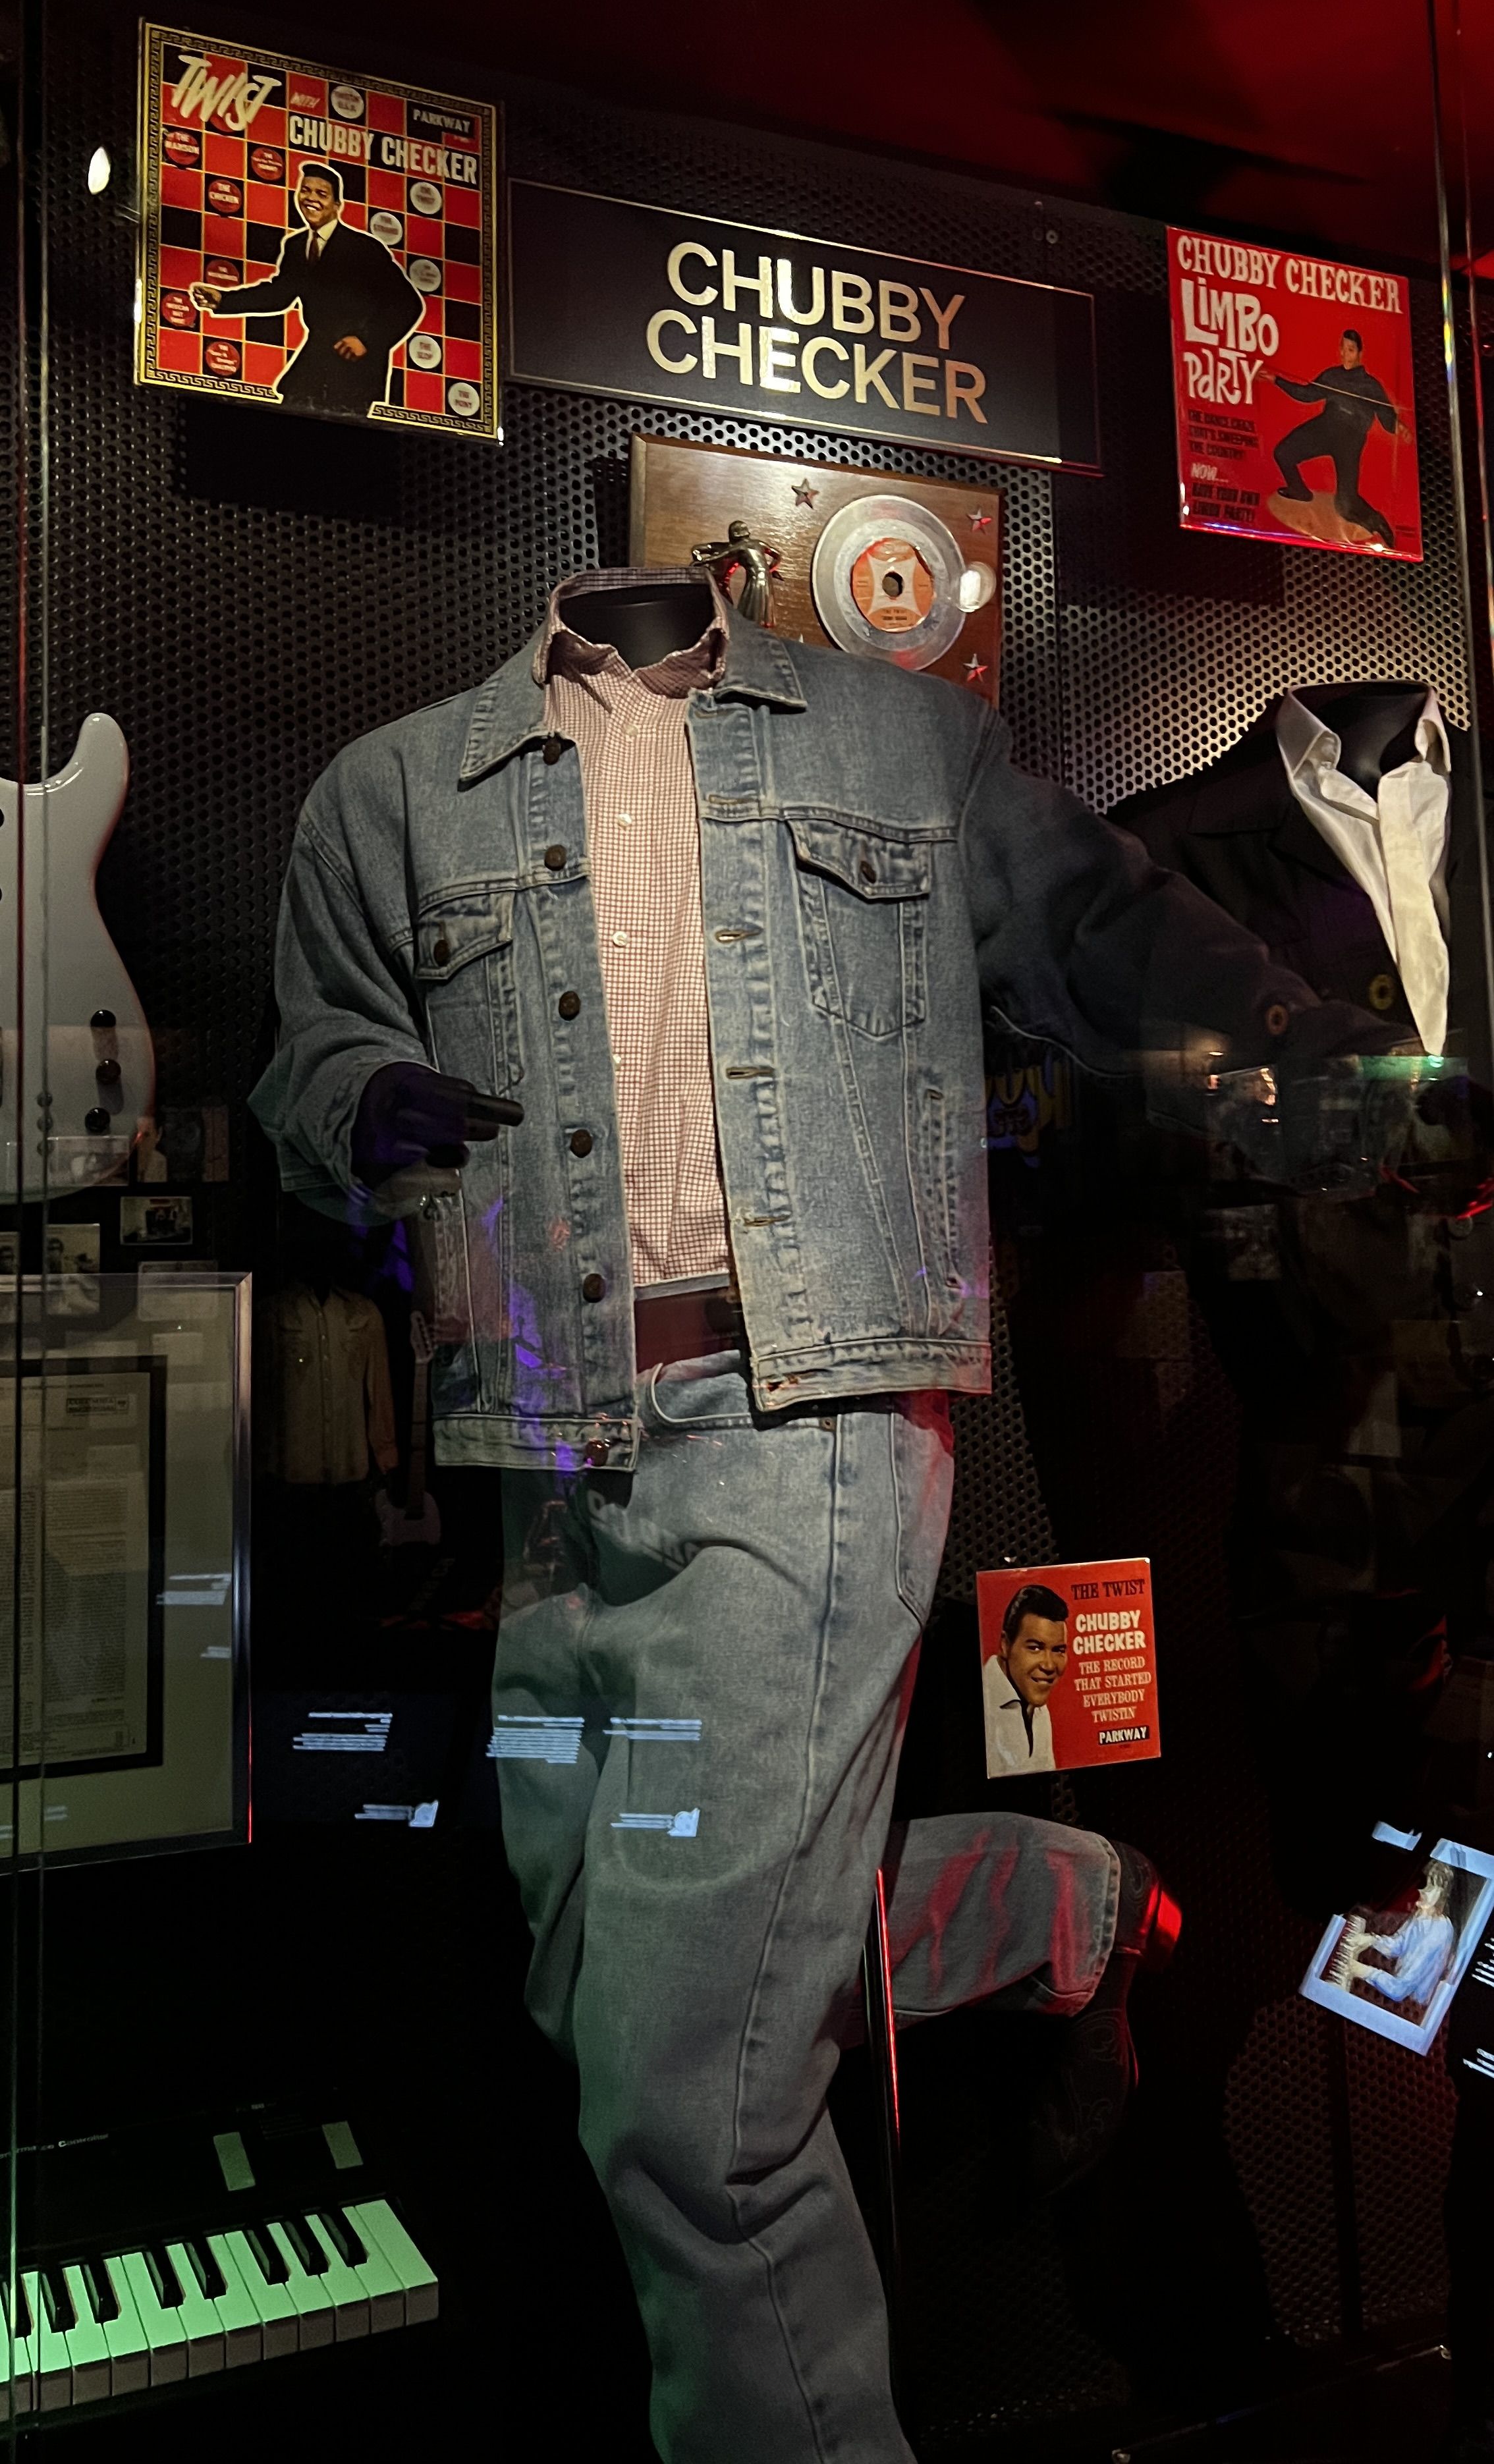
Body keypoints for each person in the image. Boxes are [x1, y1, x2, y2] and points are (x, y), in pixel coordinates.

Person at [251, 565, 1395, 2464]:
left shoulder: (903, 744)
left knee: (695, 2109)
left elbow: (1107, 941)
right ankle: (1047, 1903)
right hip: (539, 1429)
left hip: (819, 1401)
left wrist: (1332, 1061)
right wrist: (355, 1090)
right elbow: (315, 1032)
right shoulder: (397, 784)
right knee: (586, 1971)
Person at [191, 161, 423, 419]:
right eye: (305, 191)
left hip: (356, 371)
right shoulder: (296, 244)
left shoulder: (364, 248)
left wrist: (367, 340)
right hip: (315, 358)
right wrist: (224, 300)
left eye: (322, 194)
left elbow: (408, 303)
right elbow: (280, 294)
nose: (311, 199)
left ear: (338, 205)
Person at [1271, 328, 1399, 551]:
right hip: (1326, 426)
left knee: (1345, 506)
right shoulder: (1332, 376)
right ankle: (1299, 491)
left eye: (1350, 350)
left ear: (1360, 353)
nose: (1344, 354)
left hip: (1350, 439)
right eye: (1342, 348)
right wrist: (1276, 380)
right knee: (1283, 452)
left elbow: (1388, 419)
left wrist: (1400, 427)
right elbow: (1306, 394)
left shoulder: (1371, 386)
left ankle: (1377, 522)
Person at [1346, 1859, 1458, 2012]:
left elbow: (1399, 1990)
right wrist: (1371, 1940)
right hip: (1398, 1992)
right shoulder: (1423, 1914)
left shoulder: (1439, 1932)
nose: (1423, 1890)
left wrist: (1363, 1971)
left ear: (1443, 1893)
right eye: (1424, 1883)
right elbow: (1398, 1946)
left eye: (1431, 1886)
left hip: (1410, 2008)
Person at [983, 1580, 1069, 1774]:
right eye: (1035, 1648)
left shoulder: (1038, 1707)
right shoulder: (981, 1704)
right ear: (1005, 1645)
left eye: (1059, 1650)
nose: (1049, 1665)